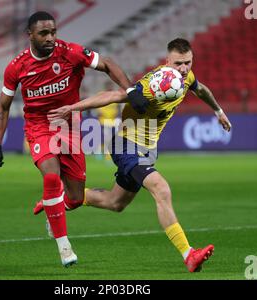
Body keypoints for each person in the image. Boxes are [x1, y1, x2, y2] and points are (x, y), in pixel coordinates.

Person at [46, 38, 232, 272]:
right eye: (178, 64)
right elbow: (111, 96)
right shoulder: (154, 85)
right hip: (126, 145)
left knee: (114, 203)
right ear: (167, 62)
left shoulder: (187, 77)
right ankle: (189, 255)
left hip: (145, 151)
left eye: (187, 63)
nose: (183, 69)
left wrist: (218, 111)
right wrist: (73, 108)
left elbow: (201, 89)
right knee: (161, 188)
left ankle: (58, 200)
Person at [0, 11, 149, 267]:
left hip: (70, 126)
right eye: (43, 33)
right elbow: (2, 107)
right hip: (39, 126)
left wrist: (129, 90)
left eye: (53, 32)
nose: (51, 37)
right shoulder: (17, 67)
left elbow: (106, 64)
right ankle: (65, 248)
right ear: (29, 35)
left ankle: (53, 206)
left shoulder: (70, 52)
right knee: (51, 176)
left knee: (74, 197)